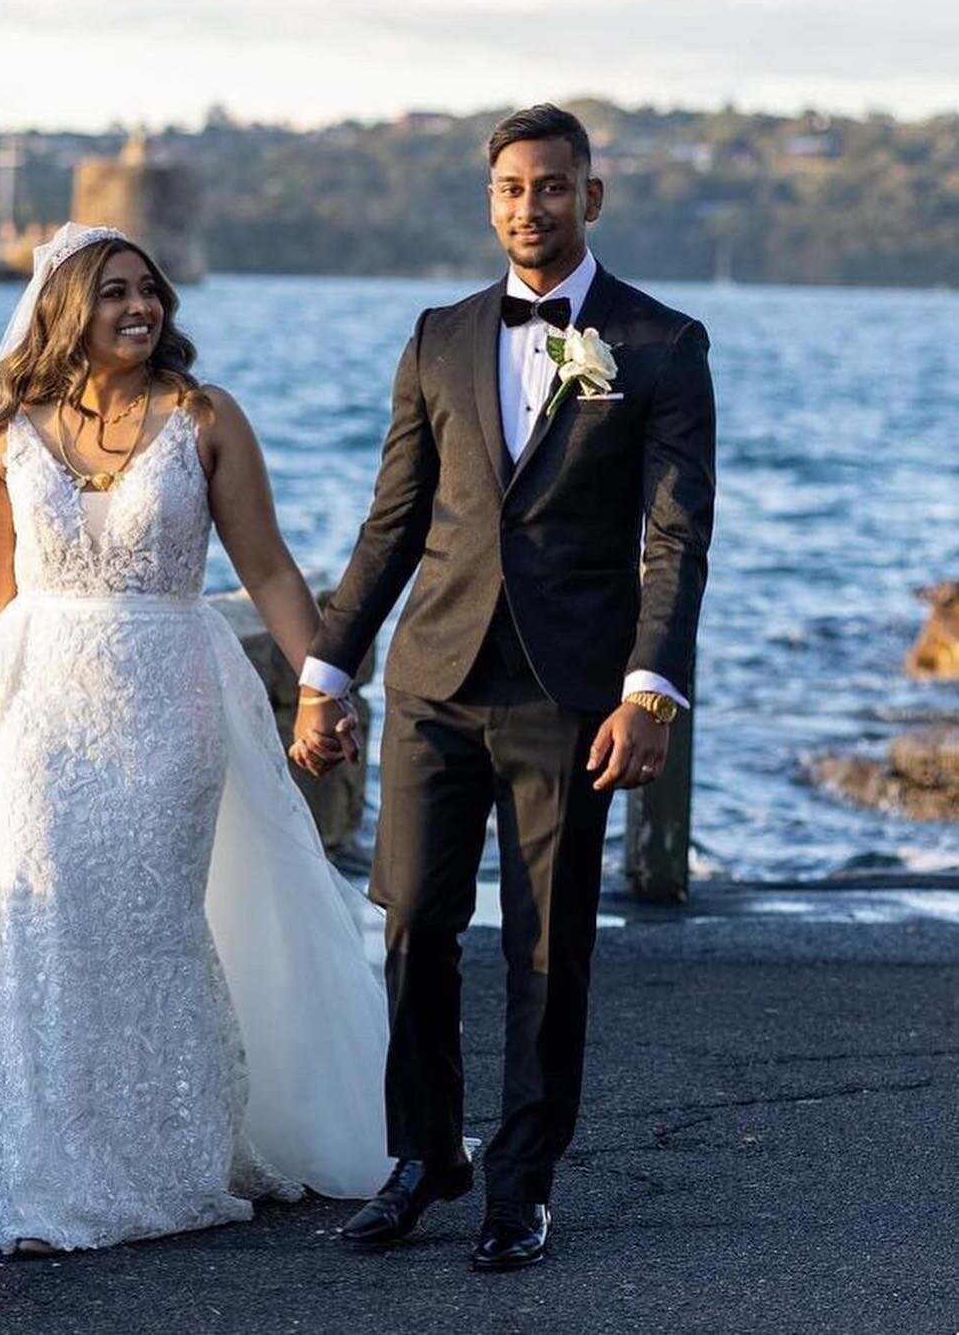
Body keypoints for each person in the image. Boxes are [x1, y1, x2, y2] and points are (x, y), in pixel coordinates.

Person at [0, 222, 389, 1256]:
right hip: (33, 709)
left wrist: (321, 683)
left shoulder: (203, 418)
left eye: (148, 291)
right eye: (114, 291)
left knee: (151, 924)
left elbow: (269, 568)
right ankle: (46, 1181)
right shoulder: (2, 428)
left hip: (169, 701)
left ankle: (170, 1158)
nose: (140, 308)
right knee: (44, 926)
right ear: (65, 307)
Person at [290, 104, 716, 1270]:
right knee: (412, 922)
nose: (529, 206)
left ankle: (520, 1184)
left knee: (543, 945)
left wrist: (649, 693)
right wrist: (326, 670)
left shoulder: (662, 343)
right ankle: (426, 1155)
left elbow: (675, 536)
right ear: (490, 201)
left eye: (551, 186)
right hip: (433, 681)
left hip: (571, 692)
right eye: (510, 189)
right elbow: (392, 521)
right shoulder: (436, 336)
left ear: (592, 195)